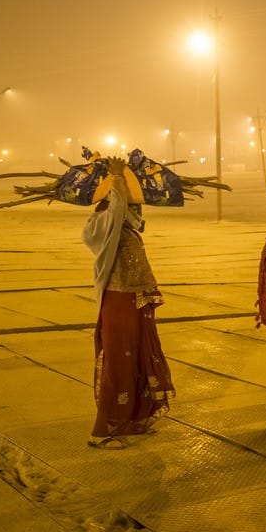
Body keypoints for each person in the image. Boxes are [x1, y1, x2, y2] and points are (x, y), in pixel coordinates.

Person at [81, 156, 175, 450]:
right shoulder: (103, 228)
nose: (136, 211)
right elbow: (117, 209)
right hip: (118, 303)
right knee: (118, 366)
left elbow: (123, 211)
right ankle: (102, 430)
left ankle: (131, 419)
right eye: (132, 205)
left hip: (135, 302)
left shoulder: (126, 229)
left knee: (136, 362)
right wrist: (118, 177)